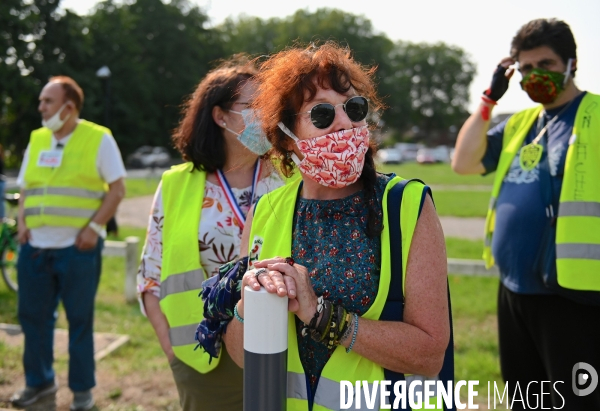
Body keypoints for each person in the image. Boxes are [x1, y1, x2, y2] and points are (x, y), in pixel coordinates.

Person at [199, 43, 452, 411]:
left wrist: (322, 316)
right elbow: (242, 356)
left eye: (354, 108)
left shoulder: (407, 205)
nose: (345, 123)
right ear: (287, 135)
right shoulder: (266, 211)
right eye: (321, 114)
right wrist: (247, 305)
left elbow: (430, 355)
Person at [452, 18, 600, 409]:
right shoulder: (519, 125)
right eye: (527, 68)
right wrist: (489, 98)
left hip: (575, 298)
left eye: (546, 65)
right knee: (526, 401)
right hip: (514, 289)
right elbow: (463, 162)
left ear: (571, 65)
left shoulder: (597, 116)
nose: (536, 75)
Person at [136, 55, 284, 411]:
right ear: (220, 116)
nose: (266, 114)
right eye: (254, 105)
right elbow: (150, 276)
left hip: (284, 352)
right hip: (204, 360)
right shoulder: (176, 185)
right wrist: (171, 349)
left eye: (270, 105)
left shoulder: (289, 177)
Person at [11, 76, 126, 410]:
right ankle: (40, 383)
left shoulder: (98, 139)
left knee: (79, 321)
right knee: (32, 319)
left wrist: (93, 228)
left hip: (79, 250)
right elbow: (27, 188)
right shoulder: (37, 139)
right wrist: (22, 224)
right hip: (35, 249)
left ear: (69, 106)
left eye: (47, 101)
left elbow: (117, 189)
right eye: (41, 101)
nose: (41, 107)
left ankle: (81, 393)